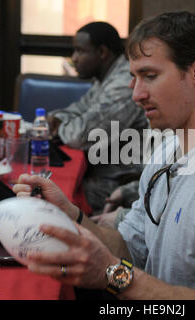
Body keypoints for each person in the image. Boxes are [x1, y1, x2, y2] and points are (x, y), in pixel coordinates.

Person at [14, 11, 195, 300]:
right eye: (133, 78)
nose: (136, 94)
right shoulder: (169, 146)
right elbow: (132, 246)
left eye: (150, 76)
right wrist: (70, 214)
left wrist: (113, 276)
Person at [47, 22, 148, 214]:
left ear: (102, 52)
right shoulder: (106, 77)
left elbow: (80, 136)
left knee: (48, 199)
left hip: (125, 182)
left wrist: (59, 126)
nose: (74, 58)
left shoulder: (123, 83)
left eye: (80, 51)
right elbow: (80, 108)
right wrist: (58, 119)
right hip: (101, 168)